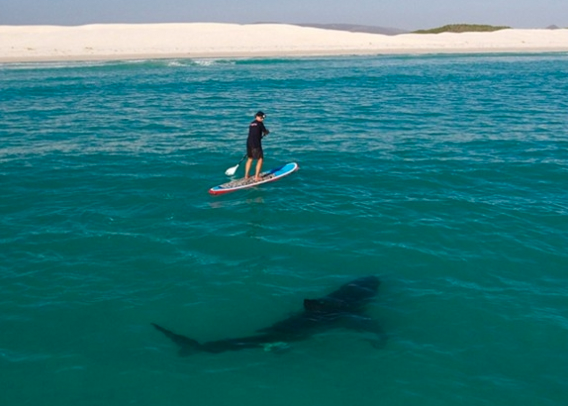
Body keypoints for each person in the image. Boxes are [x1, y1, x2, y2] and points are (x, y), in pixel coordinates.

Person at [245, 111, 270, 180]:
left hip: (249, 143)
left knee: (250, 159)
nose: (262, 119)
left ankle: (246, 176)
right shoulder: (260, 124)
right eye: (261, 117)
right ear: (257, 117)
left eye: (263, 118)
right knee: (260, 159)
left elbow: (254, 132)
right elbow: (264, 131)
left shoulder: (251, 123)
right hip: (256, 144)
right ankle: (257, 177)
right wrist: (266, 132)